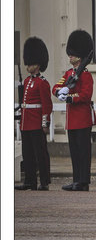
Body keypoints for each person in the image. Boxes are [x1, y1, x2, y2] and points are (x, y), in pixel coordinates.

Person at [53, 29, 96, 191]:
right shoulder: (68, 73)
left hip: (82, 118)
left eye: (73, 54)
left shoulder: (85, 75)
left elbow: (86, 95)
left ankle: (83, 181)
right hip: (72, 119)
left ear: (80, 55)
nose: (70, 56)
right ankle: (76, 178)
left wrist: (70, 97)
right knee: (74, 151)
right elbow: (56, 86)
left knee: (83, 151)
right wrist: (60, 91)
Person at [15, 37, 53, 191]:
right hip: (26, 122)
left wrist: (45, 123)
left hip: (36, 122)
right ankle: (30, 180)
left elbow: (46, 105)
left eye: (30, 64)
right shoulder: (26, 82)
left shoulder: (42, 83)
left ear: (37, 65)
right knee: (28, 154)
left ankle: (44, 181)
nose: (27, 66)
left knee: (40, 154)